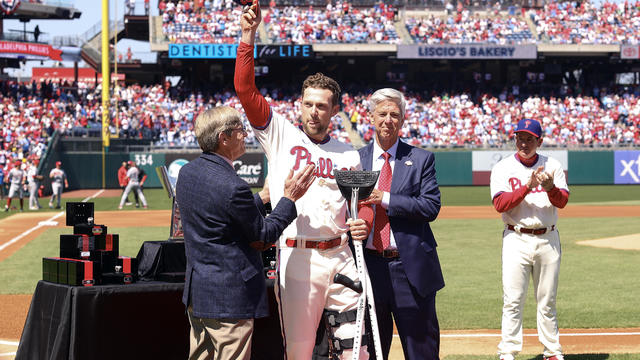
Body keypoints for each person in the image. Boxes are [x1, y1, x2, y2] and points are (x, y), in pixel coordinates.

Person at [235, 2, 371, 358]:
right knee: (299, 351)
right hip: (298, 257)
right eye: (308, 104)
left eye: (322, 106)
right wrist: (248, 36)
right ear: (299, 105)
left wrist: (364, 224)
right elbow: (246, 92)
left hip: (341, 255)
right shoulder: (280, 134)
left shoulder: (349, 153)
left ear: (334, 111)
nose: (314, 111)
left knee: (356, 349)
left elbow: (363, 206)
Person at [176, 106, 317, 360]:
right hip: (229, 300)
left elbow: (220, 215)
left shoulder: (188, 173)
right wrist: (289, 198)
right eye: (240, 130)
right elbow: (262, 237)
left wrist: (262, 198)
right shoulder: (233, 186)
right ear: (224, 138)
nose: (245, 135)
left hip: (199, 293)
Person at [358, 88, 445, 359]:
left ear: (403, 120)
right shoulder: (354, 160)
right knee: (371, 351)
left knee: (421, 351)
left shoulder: (421, 159)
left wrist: (385, 198)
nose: (388, 120)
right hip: (368, 267)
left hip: (410, 270)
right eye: (382, 113)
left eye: (394, 114)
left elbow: (431, 206)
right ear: (371, 117)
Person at [490, 118, 569, 360]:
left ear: (539, 141)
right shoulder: (503, 167)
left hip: (548, 238)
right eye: (520, 138)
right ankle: (508, 351)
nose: (524, 143)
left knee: (547, 300)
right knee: (513, 299)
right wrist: (527, 186)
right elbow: (500, 204)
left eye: (529, 139)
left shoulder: (552, 165)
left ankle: (552, 352)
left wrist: (549, 187)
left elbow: (562, 201)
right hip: (516, 238)